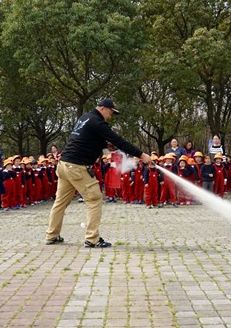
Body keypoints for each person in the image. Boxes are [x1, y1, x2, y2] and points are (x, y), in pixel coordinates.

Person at [44, 99, 151, 247]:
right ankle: (92, 239)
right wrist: (141, 154)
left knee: (60, 202)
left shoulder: (85, 118)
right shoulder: (98, 122)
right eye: (110, 112)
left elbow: (86, 139)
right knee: (94, 199)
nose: (110, 116)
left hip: (64, 164)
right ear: (103, 108)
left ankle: (51, 235)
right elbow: (118, 140)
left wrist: (104, 145)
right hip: (76, 166)